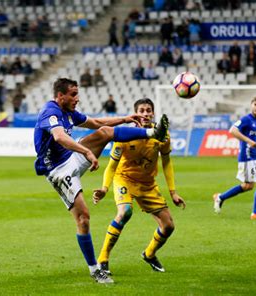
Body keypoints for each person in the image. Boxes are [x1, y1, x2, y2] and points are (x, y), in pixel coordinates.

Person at [33, 78, 169, 284]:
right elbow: (60, 137)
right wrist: (87, 151)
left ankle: (151, 132)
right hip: (58, 170)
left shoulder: (68, 111)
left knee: (104, 132)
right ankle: (95, 269)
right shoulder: (50, 112)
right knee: (83, 219)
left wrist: (125, 118)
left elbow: (96, 123)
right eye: (73, 95)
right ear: (60, 96)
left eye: (77, 94)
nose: (77, 99)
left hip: (71, 156)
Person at [92, 98, 186, 275]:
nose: (145, 114)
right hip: (125, 179)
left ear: (153, 113)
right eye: (141, 110)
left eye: (148, 110)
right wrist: (104, 188)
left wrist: (173, 192)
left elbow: (166, 163)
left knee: (168, 226)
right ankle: (102, 260)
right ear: (136, 114)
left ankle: (149, 254)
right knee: (124, 212)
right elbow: (112, 165)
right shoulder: (124, 136)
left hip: (148, 184)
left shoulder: (162, 135)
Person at [213, 96, 256, 219]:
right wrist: (248, 141)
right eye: (255, 104)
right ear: (251, 105)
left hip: (255, 158)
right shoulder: (246, 119)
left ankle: (255, 214)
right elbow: (232, 130)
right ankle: (220, 197)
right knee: (247, 186)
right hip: (247, 157)